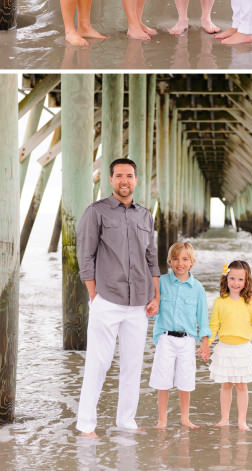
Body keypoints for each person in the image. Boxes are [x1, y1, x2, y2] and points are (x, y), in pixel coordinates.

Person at [75, 158, 160, 436]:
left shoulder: (145, 216)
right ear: (110, 180)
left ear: (137, 180)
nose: (125, 180)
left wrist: (155, 295)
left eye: (130, 176)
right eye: (119, 175)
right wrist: (94, 296)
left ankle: (126, 422)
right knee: (98, 363)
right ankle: (86, 424)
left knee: (133, 366)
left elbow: (152, 259)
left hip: (139, 304)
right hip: (107, 301)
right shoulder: (96, 212)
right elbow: (85, 256)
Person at [209, 259, 252, 430]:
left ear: (247, 281)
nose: (236, 283)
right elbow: (213, 326)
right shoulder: (219, 302)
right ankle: (224, 419)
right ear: (226, 279)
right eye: (232, 278)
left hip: (242, 349)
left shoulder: (250, 300)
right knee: (225, 385)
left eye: (240, 279)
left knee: (241, 385)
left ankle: (241, 421)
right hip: (224, 348)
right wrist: (206, 344)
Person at [150, 241, 211, 430]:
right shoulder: (161, 283)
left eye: (185, 259)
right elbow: (154, 310)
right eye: (175, 259)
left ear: (191, 262)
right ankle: (162, 419)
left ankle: (185, 417)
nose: (180, 263)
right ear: (169, 261)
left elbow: (202, 317)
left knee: (185, 380)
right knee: (163, 380)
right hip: (165, 338)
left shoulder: (197, 288)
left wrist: (205, 343)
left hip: (187, 340)